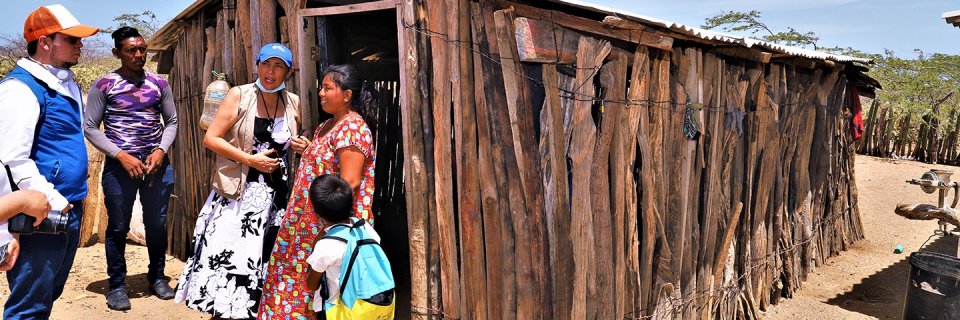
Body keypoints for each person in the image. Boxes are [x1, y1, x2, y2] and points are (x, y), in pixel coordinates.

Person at [175, 43, 302, 319]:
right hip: (238, 195)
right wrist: (249, 159)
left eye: (278, 66)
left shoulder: (292, 101)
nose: (270, 72)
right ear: (257, 65)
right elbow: (211, 138)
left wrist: (299, 144)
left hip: (274, 199)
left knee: (263, 259)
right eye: (265, 64)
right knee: (232, 258)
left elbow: (287, 140)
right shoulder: (239, 95)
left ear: (289, 72)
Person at [0, 4, 98, 319]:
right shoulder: (20, 89)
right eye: (71, 39)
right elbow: (12, 159)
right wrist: (53, 200)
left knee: (48, 294)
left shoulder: (64, 83)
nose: (80, 45)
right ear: (45, 42)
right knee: (30, 305)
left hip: (68, 207)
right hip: (41, 215)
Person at [259, 64, 378, 319]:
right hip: (305, 221)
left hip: (325, 223)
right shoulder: (328, 126)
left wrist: (325, 231)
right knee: (291, 278)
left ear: (347, 95)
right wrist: (310, 149)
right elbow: (328, 162)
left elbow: (349, 184)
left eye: (328, 88)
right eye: (321, 87)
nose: (321, 93)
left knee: (316, 286)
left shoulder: (353, 128)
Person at [83, 26, 179, 310]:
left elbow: (172, 122)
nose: (138, 55)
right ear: (117, 53)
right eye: (131, 50)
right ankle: (116, 285)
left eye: (142, 49)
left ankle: (157, 277)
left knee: (157, 223)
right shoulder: (104, 85)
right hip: (120, 167)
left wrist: (161, 150)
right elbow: (90, 127)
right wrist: (121, 155)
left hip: (155, 165)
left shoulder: (159, 84)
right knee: (118, 226)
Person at [305, 174, 394, 319]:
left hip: (340, 311)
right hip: (371, 305)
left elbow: (311, 284)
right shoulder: (364, 226)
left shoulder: (326, 246)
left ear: (317, 212)